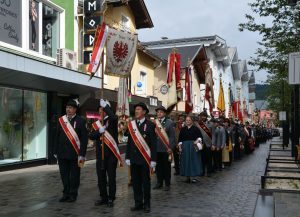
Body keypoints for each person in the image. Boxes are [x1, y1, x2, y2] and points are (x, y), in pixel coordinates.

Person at [54, 99, 88, 202]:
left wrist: (82, 154)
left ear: (75, 109)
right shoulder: (61, 120)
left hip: (75, 154)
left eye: (70, 108)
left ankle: (73, 194)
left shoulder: (81, 120)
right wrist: (55, 151)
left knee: (74, 176)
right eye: (67, 107)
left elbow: (84, 139)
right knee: (64, 175)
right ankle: (66, 193)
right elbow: (56, 136)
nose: (68, 110)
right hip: (62, 153)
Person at [125, 102, 157, 213]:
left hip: (144, 159)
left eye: (139, 109)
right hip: (134, 159)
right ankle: (138, 203)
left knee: (145, 183)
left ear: (144, 112)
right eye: (136, 109)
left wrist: (153, 159)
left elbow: (153, 144)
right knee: (136, 183)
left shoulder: (150, 125)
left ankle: (147, 204)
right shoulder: (132, 124)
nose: (137, 111)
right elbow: (129, 142)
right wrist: (127, 157)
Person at [89, 99, 120, 207]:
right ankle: (103, 197)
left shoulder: (112, 121)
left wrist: (106, 106)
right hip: (100, 155)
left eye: (103, 109)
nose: (100, 112)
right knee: (101, 178)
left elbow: (114, 117)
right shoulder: (97, 124)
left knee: (111, 177)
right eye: (100, 110)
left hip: (111, 155)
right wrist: (99, 131)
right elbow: (91, 136)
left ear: (107, 110)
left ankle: (111, 198)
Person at [153, 106, 176, 191]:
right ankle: (159, 182)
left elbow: (172, 137)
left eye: (161, 112)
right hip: (157, 149)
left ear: (165, 113)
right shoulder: (154, 122)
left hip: (166, 149)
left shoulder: (170, 123)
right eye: (158, 112)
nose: (159, 113)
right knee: (158, 167)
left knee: (166, 167)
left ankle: (167, 183)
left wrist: (171, 147)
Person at [178, 115, 203, 183]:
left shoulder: (196, 128)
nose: (188, 121)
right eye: (186, 120)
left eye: (189, 120)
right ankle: (187, 177)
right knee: (186, 161)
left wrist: (197, 141)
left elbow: (200, 137)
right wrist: (180, 147)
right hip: (185, 147)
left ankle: (194, 177)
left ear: (192, 121)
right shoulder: (183, 129)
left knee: (194, 161)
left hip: (193, 147)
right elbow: (180, 139)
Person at [196, 111, 214, 176]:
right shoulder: (198, 124)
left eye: (204, 116)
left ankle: (209, 172)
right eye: (202, 116)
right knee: (201, 159)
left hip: (209, 144)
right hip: (201, 144)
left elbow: (213, 135)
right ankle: (202, 171)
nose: (203, 117)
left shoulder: (211, 124)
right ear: (200, 117)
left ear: (206, 117)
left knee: (209, 158)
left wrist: (213, 144)